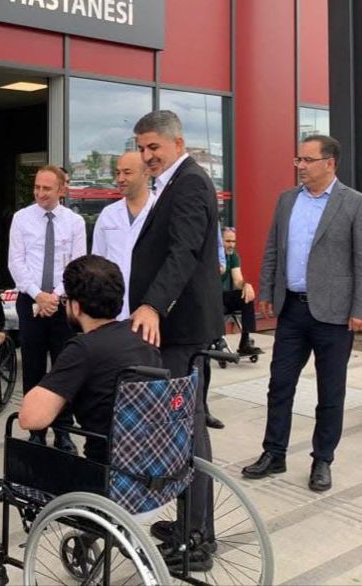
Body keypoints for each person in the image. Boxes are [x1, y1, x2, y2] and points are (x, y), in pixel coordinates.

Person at [128, 110, 224, 569]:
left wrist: (153, 304)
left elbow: (183, 252)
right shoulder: (173, 181)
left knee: (188, 431)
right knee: (183, 429)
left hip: (180, 329)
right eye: (141, 147)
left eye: (153, 147)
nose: (147, 155)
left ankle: (197, 539)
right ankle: (191, 523)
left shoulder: (188, 183)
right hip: (175, 328)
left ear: (177, 143)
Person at [242, 135, 362, 492]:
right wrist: (266, 291)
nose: (300, 166)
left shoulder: (353, 203)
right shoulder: (287, 200)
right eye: (299, 160)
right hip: (292, 310)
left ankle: (322, 460)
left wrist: (359, 308)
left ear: (330, 163)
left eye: (308, 160)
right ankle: (274, 453)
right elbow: (272, 249)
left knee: (330, 392)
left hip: (334, 314)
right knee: (279, 384)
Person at [19, 254, 161, 462]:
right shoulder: (143, 336)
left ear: (76, 307)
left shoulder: (83, 349)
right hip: (155, 460)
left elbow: (30, 418)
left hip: (106, 467)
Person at [8, 164, 87, 453]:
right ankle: (36, 430)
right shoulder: (21, 218)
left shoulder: (74, 222)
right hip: (31, 299)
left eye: (47, 188)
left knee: (64, 366)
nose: (40, 193)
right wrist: (38, 295)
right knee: (32, 366)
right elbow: (16, 261)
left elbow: (77, 263)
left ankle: (63, 429)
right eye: (37, 187)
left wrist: (54, 297)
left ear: (61, 190)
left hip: (62, 303)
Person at [91, 151, 156, 320]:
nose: (120, 179)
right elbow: (98, 261)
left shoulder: (160, 210)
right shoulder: (108, 214)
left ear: (146, 173)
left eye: (127, 172)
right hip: (113, 311)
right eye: (117, 172)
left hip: (151, 309)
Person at [220, 227, 262, 355]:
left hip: (222, 296)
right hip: (209, 297)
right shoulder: (212, 255)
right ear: (219, 241)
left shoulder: (233, 256)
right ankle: (217, 341)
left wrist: (246, 285)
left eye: (233, 241)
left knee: (246, 296)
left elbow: (238, 280)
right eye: (228, 241)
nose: (231, 245)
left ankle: (245, 341)